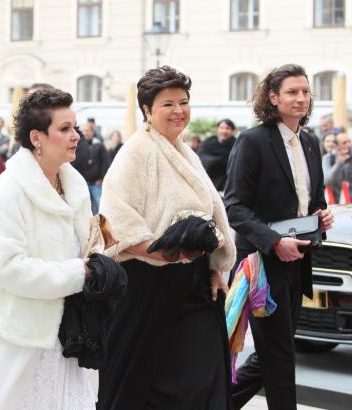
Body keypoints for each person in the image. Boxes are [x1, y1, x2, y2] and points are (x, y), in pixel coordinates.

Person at [0, 88, 96, 409]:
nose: (76, 136)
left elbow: (86, 245)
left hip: (70, 337)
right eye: (65, 129)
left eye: (76, 128)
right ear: (36, 137)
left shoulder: (75, 184)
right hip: (20, 336)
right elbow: (8, 268)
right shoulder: (7, 190)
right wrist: (78, 272)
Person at [98, 66, 236, 410]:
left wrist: (215, 269)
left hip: (192, 283)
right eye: (168, 104)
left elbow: (212, 212)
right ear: (147, 110)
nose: (179, 111)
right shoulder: (135, 152)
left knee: (203, 374)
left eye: (184, 102)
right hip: (149, 285)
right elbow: (116, 221)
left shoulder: (183, 151)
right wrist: (162, 252)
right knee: (152, 382)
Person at [224, 64, 333, 410]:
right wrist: (273, 241)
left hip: (298, 261)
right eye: (292, 92)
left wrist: (322, 215)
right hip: (262, 264)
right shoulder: (253, 141)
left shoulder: (311, 142)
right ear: (273, 98)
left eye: (305, 91)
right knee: (281, 356)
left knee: (274, 353)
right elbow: (235, 207)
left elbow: (310, 201)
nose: (301, 98)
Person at [198, 118, 237, 192]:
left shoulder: (236, 145)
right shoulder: (208, 143)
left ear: (233, 131)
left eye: (227, 128)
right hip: (208, 184)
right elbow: (200, 159)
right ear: (217, 129)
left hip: (228, 187)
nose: (224, 131)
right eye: (222, 128)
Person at [322, 132, 352, 203]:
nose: (348, 145)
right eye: (344, 143)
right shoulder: (328, 158)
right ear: (336, 146)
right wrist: (338, 163)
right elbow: (327, 181)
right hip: (335, 203)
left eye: (349, 141)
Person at [82, 121, 109, 214]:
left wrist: (101, 178)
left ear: (92, 132)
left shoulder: (99, 145)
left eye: (88, 130)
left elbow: (105, 163)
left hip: (96, 183)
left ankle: (101, 226)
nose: (86, 133)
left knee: (100, 206)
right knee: (86, 208)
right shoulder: (79, 145)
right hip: (83, 183)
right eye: (84, 130)